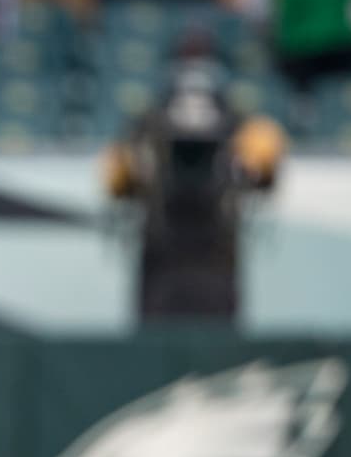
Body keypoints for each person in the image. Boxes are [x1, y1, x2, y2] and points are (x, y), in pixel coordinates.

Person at [103, 27, 285, 321]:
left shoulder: (236, 122)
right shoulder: (150, 122)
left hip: (214, 250)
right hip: (165, 251)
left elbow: (265, 167)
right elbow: (115, 178)